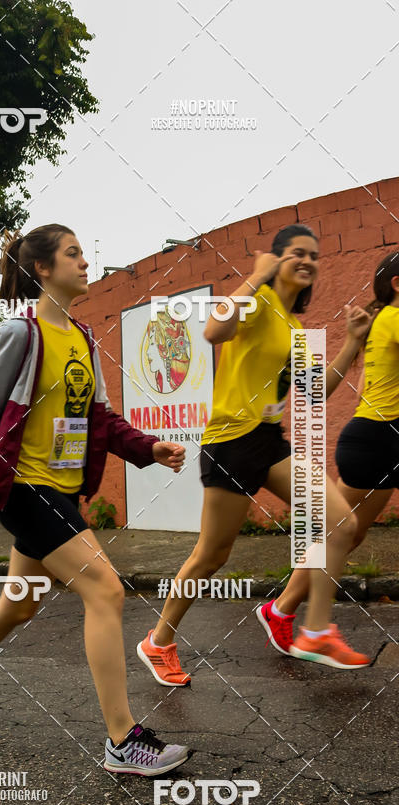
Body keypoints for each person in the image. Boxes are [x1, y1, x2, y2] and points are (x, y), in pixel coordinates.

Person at [0, 223, 194, 776]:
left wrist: (147, 446)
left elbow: (99, 420)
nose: (85, 262)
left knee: (20, 603)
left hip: (60, 491)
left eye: (84, 253)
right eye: (73, 254)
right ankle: (122, 741)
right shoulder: (22, 333)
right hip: (24, 487)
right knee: (105, 589)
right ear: (43, 268)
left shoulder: (83, 339)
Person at [137, 223, 373, 684]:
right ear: (277, 258)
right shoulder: (258, 303)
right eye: (297, 253)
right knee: (212, 555)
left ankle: (316, 630)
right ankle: (158, 641)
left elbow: (316, 389)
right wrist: (256, 277)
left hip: (267, 440)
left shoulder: (293, 323)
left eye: (315, 255)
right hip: (230, 441)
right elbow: (212, 330)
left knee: (341, 522)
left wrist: (352, 343)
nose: (308, 260)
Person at [257, 249, 399, 656]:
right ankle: (284, 611)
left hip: (384, 437)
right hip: (375, 440)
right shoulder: (392, 318)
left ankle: (280, 610)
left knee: (348, 535)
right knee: (340, 532)